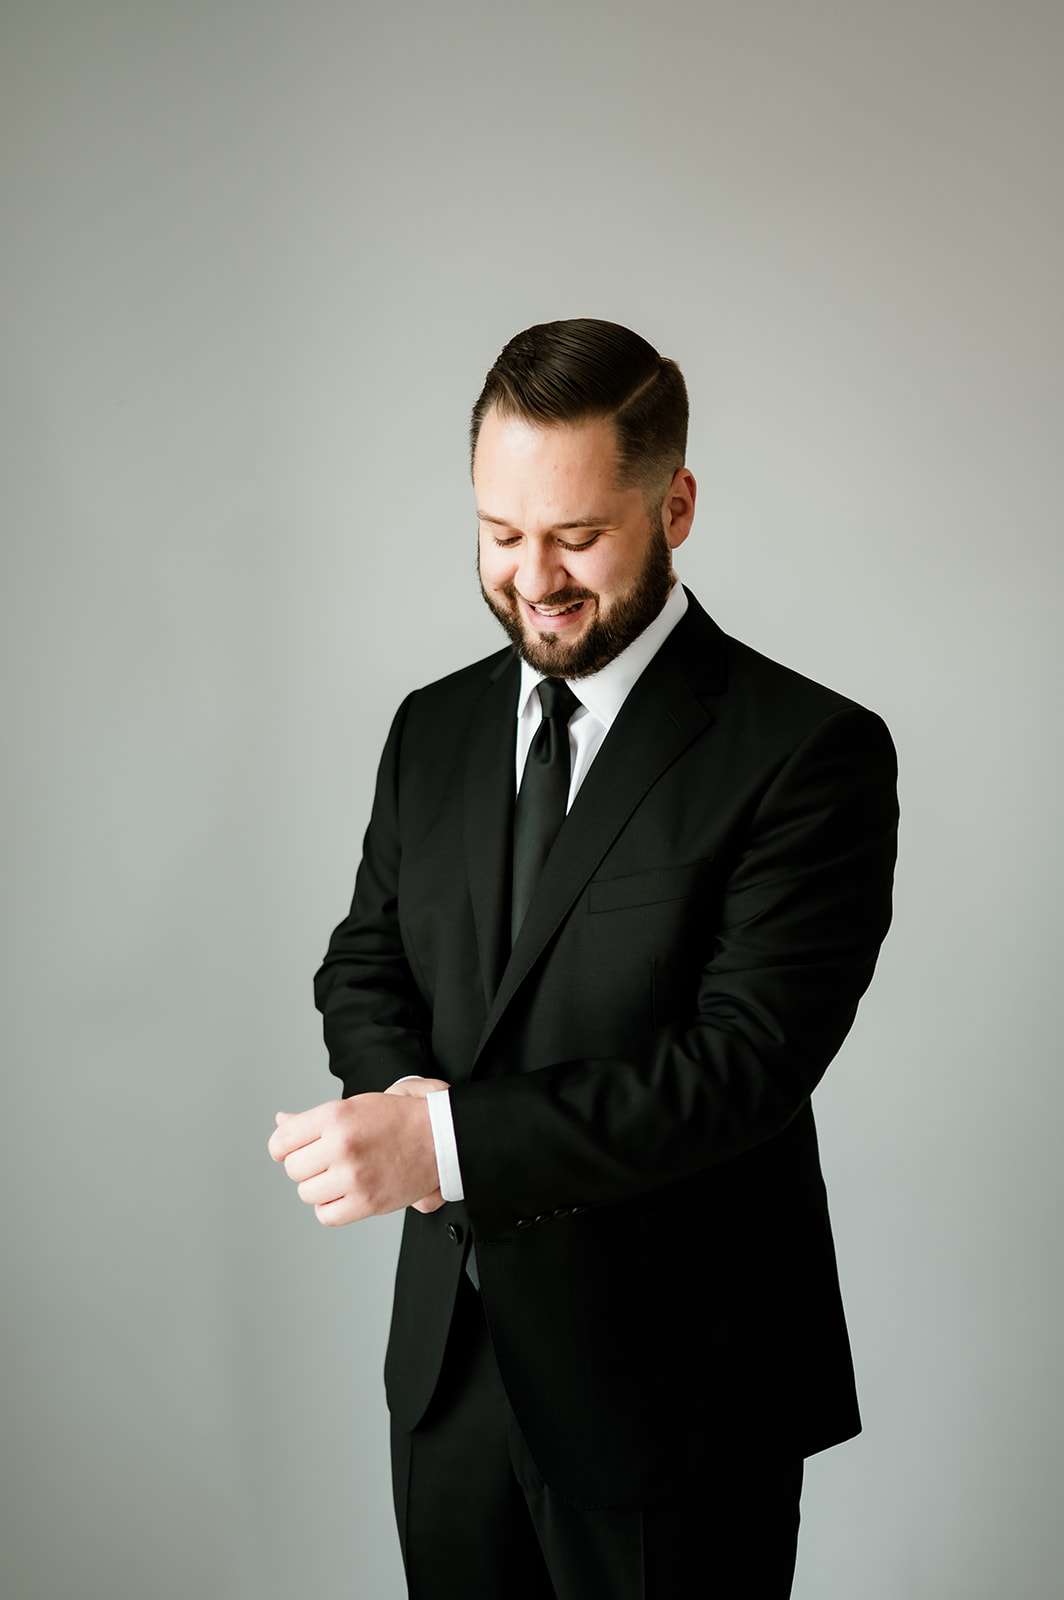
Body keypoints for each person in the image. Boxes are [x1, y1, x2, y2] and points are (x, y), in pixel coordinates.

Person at [268, 317, 900, 1597]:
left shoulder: (807, 752)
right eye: (500, 535)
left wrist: (439, 1149)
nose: (532, 576)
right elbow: (365, 962)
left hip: (679, 1391)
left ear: (673, 502)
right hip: (448, 1382)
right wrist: (400, 1102)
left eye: (576, 536)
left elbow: (739, 1070)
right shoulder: (430, 728)